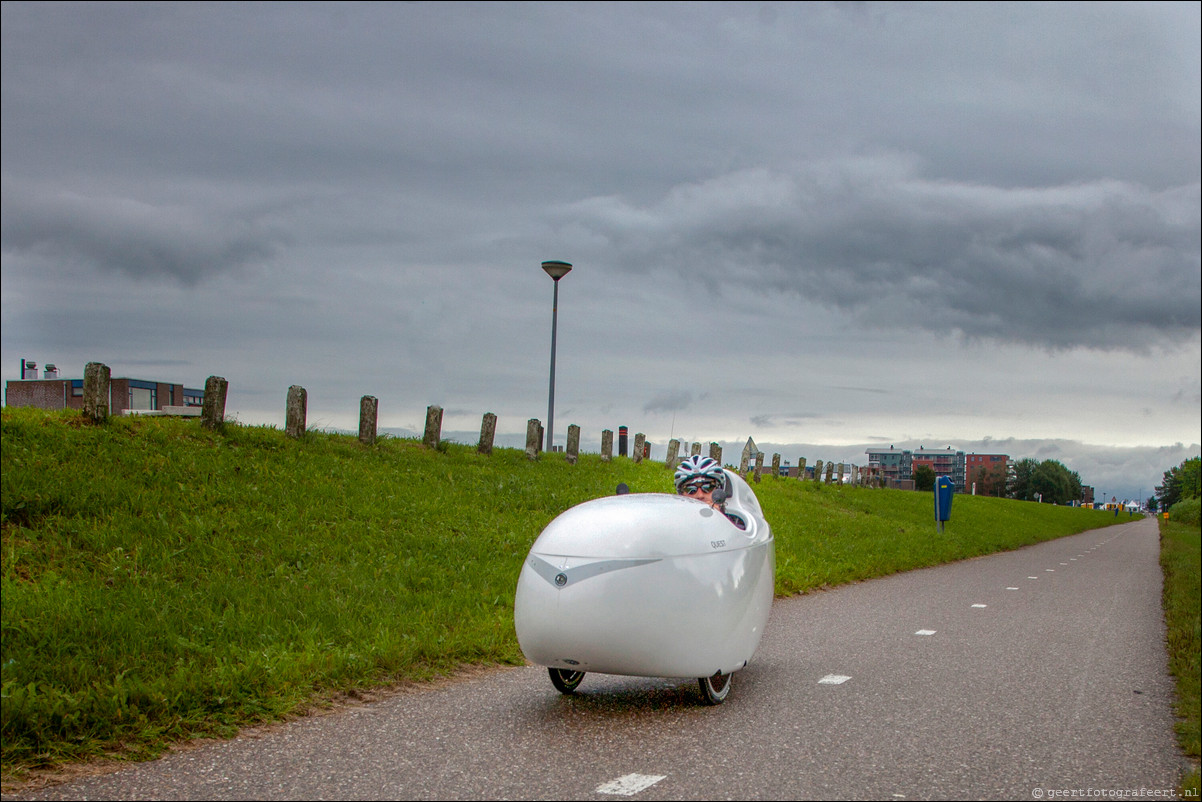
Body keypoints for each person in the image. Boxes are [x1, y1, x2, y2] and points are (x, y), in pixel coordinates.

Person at [674, 455, 746, 530]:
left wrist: (719, 519)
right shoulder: (673, 523)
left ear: (719, 489)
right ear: (681, 494)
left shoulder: (737, 523)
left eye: (707, 487)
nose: (700, 495)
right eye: (691, 489)